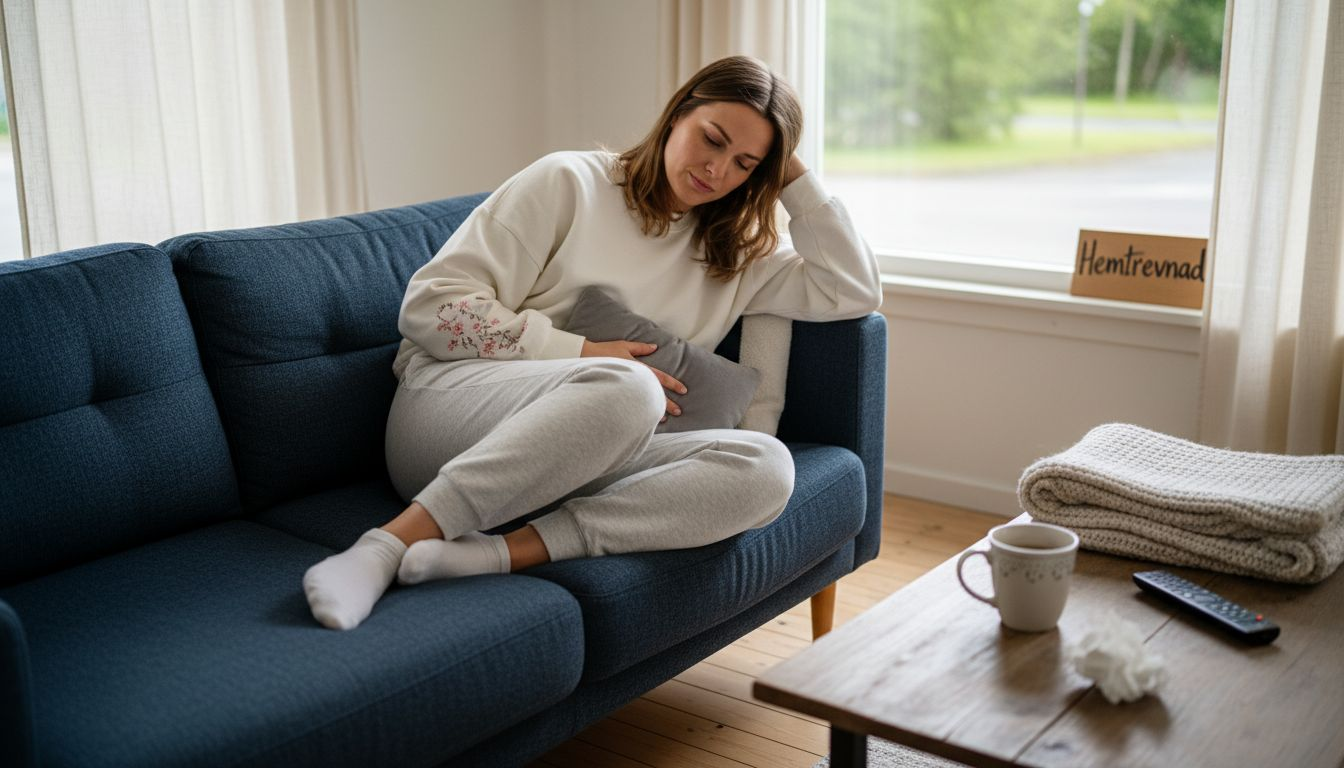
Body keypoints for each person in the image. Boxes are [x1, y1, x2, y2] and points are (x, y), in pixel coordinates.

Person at [303, 55, 881, 630]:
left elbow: (852, 289)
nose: (717, 169)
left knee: (765, 468)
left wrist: (794, 177)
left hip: (578, 453)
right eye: (712, 138)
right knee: (630, 387)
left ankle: (495, 553)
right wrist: (579, 352)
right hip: (448, 415)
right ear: (679, 112)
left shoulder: (734, 255)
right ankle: (378, 550)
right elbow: (431, 307)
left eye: (745, 163)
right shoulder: (568, 182)